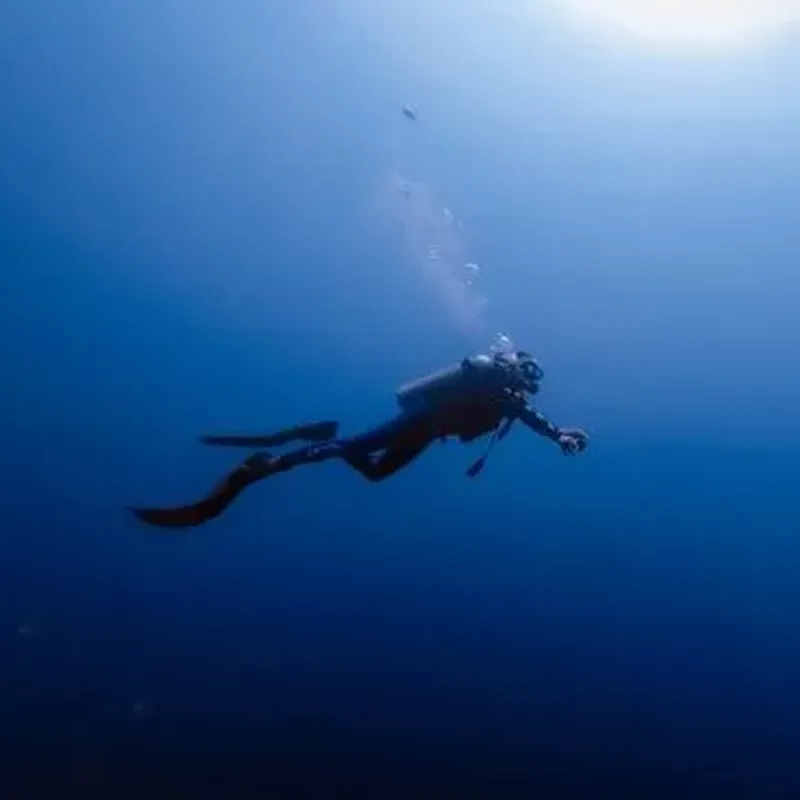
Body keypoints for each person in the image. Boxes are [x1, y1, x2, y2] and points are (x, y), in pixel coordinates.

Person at [129, 349, 589, 529]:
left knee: (373, 474)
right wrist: (554, 431)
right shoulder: (493, 379)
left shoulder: (510, 399)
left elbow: (532, 417)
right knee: (352, 450)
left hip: (429, 432)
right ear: (518, 370)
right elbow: (521, 408)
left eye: (528, 382)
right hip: (424, 419)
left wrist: (558, 434)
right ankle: (262, 468)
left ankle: (317, 435)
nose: (526, 386)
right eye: (526, 377)